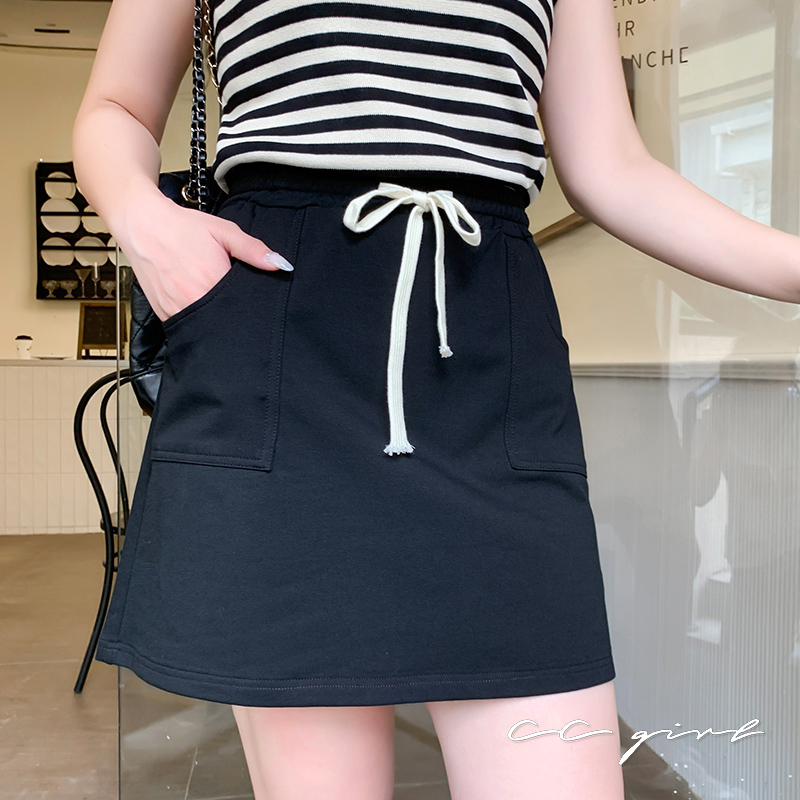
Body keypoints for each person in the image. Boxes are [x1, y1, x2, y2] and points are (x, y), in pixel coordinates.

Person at [71, 0, 800, 798]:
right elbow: (117, 106)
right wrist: (147, 223)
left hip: (488, 356)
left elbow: (611, 167)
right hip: (283, 339)